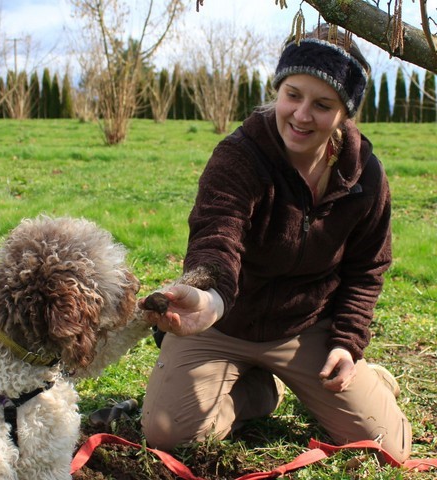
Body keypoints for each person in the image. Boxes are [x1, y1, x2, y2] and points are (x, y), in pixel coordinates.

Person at [139, 25, 412, 463]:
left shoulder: (366, 177)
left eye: (322, 105)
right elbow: (217, 236)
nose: (302, 115)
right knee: (167, 433)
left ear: (345, 114)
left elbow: (367, 269)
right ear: (278, 89)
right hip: (223, 321)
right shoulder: (240, 155)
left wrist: (346, 343)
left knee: (387, 445)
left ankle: (368, 380)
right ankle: (262, 392)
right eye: (292, 94)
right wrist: (209, 297)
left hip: (307, 328)